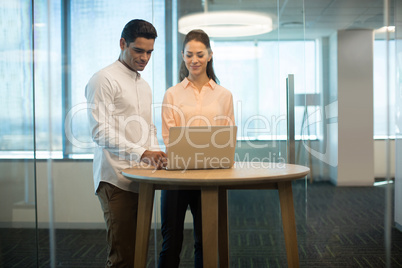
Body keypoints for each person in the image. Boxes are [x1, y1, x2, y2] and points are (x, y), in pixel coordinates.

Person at [85, 19, 167, 268]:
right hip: (115, 179)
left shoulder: (144, 85)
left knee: (138, 251)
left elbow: (147, 127)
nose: (144, 58)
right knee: (122, 256)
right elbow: (100, 132)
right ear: (122, 44)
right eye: (138, 50)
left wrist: (156, 153)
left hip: (142, 179)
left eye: (149, 52)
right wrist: (143, 152)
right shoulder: (103, 79)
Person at [158, 29, 235, 268]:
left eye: (200, 54)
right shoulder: (172, 94)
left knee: (206, 243)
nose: (194, 60)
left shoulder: (224, 95)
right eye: (189, 54)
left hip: (210, 178)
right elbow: (169, 137)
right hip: (176, 178)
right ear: (182, 56)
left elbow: (227, 137)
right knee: (171, 243)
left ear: (210, 55)